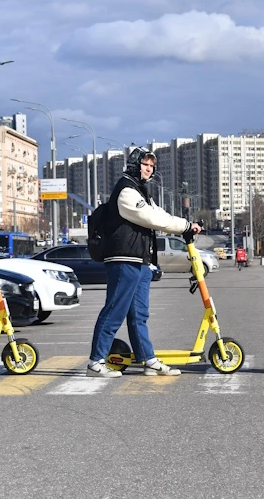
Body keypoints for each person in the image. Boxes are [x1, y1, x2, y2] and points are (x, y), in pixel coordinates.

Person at [87, 147, 202, 378]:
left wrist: (186, 224)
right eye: (145, 164)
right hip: (123, 259)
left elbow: (162, 215)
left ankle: (148, 360)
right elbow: (152, 218)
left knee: (139, 314)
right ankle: (95, 362)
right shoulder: (126, 190)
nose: (149, 169)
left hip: (140, 260)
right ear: (134, 164)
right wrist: (185, 227)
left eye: (151, 165)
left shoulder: (141, 191)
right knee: (114, 311)